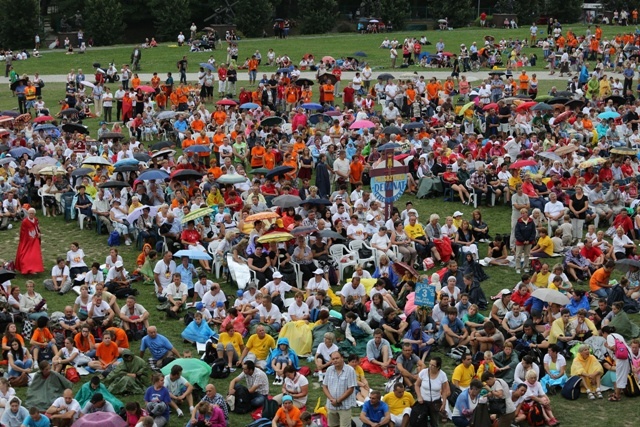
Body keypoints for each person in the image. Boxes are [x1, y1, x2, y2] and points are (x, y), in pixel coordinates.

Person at [322, 351, 357, 427]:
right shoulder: (329, 370)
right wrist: (332, 399)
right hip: (331, 405)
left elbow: (351, 389)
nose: (335, 360)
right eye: (333, 359)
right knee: (332, 425)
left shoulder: (350, 370)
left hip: (344, 406)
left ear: (342, 358)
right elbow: (324, 386)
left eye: (337, 358)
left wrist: (338, 400)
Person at [414, 356, 449, 427]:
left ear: (438, 367)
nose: (430, 366)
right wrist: (419, 396)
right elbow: (417, 385)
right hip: (423, 401)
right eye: (430, 364)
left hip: (435, 402)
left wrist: (444, 403)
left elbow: (444, 390)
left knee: (434, 422)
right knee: (421, 421)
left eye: (433, 365)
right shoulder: (423, 372)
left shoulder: (442, 375)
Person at [602, 325, 631, 402]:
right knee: (621, 375)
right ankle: (617, 392)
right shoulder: (618, 335)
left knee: (619, 376)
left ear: (605, 333)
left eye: (602, 334)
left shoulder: (609, 337)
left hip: (621, 359)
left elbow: (614, 348)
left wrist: (607, 346)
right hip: (626, 357)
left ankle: (617, 396)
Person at [14, 208, 43, 275]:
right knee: (26, 254)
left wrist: (39, 233)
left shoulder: (35, 220)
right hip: (27, 241)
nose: (31, 214)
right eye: (30, 213)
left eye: (32, 213)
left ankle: (34, 268)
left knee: (35, 254)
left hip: (34, 239)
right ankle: (27, 268)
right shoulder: (24, 222)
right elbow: (23, 232)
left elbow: (37, 227)